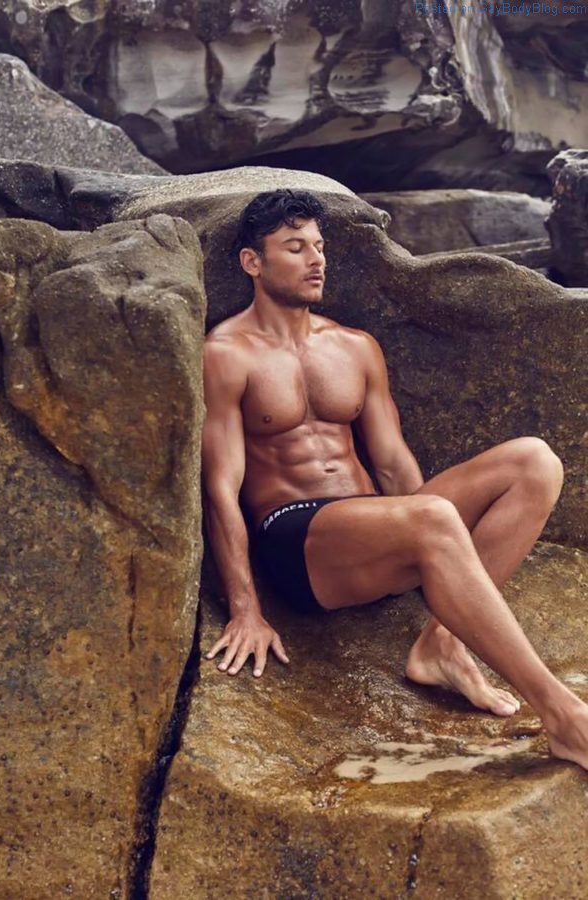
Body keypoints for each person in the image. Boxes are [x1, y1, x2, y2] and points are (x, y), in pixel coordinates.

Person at [201, 188, 588, 770]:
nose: (316, 260)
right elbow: (220, 487)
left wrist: (436, 557)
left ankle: (442, 642)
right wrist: (245, 608)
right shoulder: (226, 354)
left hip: (373, 524)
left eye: (320, 246)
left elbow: (392, 464)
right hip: (296, 542)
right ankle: (564, 718)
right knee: (432, 519)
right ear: (252, 263)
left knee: (536, 462)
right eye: (295, 247)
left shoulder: (355, 347)